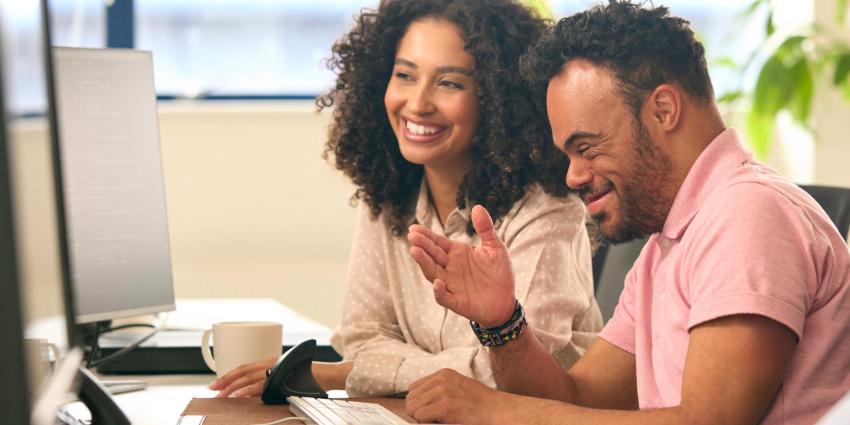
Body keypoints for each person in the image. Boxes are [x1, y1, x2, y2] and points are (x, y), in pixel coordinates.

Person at [404, 1, 850, 424]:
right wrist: (502, 322)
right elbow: (576, 399)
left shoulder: (747, 213)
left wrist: (500, 412)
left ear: (664, 110)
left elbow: (707, 422)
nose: (573, 177)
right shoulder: (670, 240)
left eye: (587, 147)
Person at [209, 0, 602, 399]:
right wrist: (374, 369)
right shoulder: (388, 195)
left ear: (499, 98)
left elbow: (510, 372)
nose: (417, 104)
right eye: (405, 76)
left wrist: (343, 374)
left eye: (449, 83)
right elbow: (362, 337)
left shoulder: (547, 212)